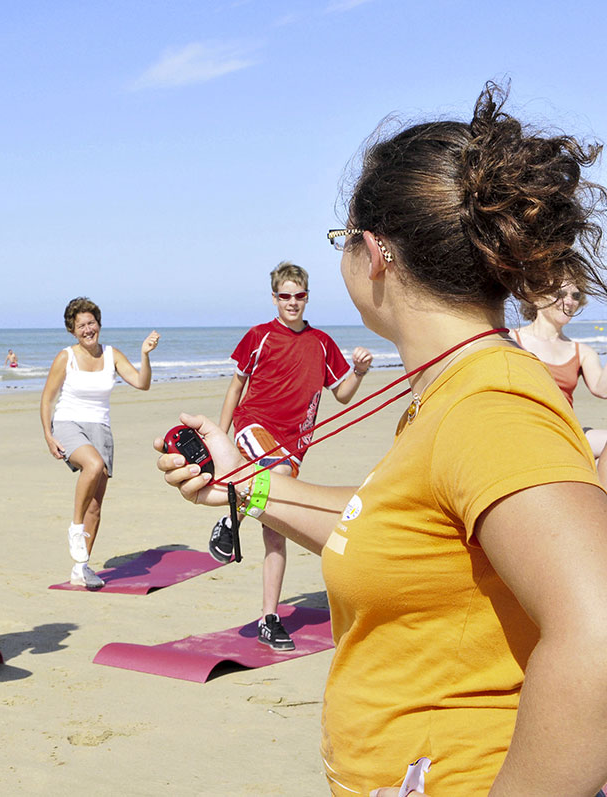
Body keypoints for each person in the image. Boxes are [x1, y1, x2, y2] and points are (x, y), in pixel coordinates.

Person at [156, 83, 607, 795]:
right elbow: (395, 528)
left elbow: (600, 632)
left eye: (341, 241)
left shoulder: (493, 405)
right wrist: (248, 482)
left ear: (374, 253)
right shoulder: (450, 390)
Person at [210, 262, 372, 652]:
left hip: (294, 445)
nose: (292, 303)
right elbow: (236, 387)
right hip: (254, 427)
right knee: (277, 472)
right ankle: (228, 519)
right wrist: (220, 437)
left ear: (306, 297)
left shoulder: (321, 342)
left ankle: (269, 617)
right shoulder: (259, 336)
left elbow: (343, 393)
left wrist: (361, 371)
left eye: (299, 296)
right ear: (275, 298)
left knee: (276, 528)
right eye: (285, 296)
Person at [40, 297, 160, 588]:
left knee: (96, 505)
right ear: (73, 331)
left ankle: (81, 568)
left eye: (91, 322)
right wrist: (48, 434)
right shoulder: (65, 357)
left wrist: (144, 355)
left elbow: (142, 383)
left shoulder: (111, 355)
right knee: (92, 466)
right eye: (80, 325)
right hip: (69, 424)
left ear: (99, 324)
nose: (87, 329)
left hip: (101, 430)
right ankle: (75, 527)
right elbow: (48, 398)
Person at [513, 281, 607, 460]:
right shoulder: (510, 339)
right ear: (536, 297)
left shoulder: (582, 352)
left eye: (576, 295)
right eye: (560, 293)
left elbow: (602, 390)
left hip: (566, 434)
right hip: (522, 434)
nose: (569, 301)